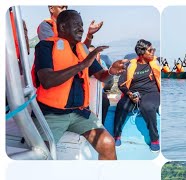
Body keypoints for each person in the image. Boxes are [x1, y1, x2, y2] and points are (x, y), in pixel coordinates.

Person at [32, 10, 128, 160]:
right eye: (76, 24)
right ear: (63, 27)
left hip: (80, 113)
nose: (82, 29)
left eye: (82, 25)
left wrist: (111, 71)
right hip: (51, 115)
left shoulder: (82, 50)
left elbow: (101, 76)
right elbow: (47, 80)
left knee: (108, 143)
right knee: (42, 156)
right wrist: (82, 64)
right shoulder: (45, 47)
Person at [114, 39, 160, 152]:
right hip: (133, 93)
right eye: (150, 50)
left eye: (153, 49)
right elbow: (121, 84)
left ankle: (154, 139)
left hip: (152, 92)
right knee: (122, 106)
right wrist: (130, 94)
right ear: (142, 52)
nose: (153, 52)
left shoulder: (158, 62)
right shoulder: (130, 65)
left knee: (147, 106)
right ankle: (117, 135)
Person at [37, 5, 103, 48]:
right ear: (51, 9)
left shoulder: (71, 28)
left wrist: (89, 34)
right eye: (61, 7)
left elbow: (81, 49)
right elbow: (54, 49)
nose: (65, 10)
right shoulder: (45, 26)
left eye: (66, 7)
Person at [88, 45, 113, 126]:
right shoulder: (84, 62)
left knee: (105, 101)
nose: (94, 55)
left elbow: (104, 79)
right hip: (87, 90)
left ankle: (101, 125)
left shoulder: (102, 63)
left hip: (99, 91)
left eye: (97, 53)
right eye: (91, 53)